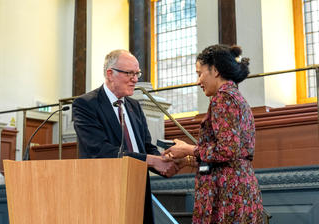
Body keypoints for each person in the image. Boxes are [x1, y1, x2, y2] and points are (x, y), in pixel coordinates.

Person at [72, 49, 178, 224]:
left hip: (138, 190)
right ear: (110, 74)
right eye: (129, 73)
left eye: (137, 73)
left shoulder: (134, 106)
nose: (135, 79)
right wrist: (152, 160)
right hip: (105, 191)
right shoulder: (85, 104)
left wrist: (165, 161)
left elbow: (145, 147)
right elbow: (100, 151)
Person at [163, 44, 264, 223]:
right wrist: (186, 160)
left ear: (215, 70)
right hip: (240, 187)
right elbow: (227, 154)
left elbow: (227, 150)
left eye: (200, 73)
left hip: (226, 192)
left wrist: (188, 149)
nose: (198, 81)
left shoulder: (222, 99)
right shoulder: (236, 97)